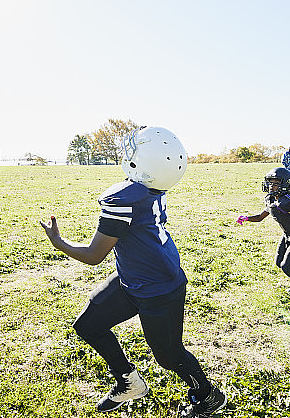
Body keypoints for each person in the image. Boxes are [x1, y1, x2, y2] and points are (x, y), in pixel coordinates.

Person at [39, 126, 226, 417]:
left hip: (159, 290)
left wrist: (58, 241)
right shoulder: (150, 187)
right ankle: (129, 382)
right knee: (88, 325)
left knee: (169, 356)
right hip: (135, 277)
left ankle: (207, 395)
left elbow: (94, 255)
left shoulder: (124, 198)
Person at [236, 167, 290, 293]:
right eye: (270, 182)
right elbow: (260, 217)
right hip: (287, 235)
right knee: (279, 263)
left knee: (287, 267)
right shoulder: (272, 200)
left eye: (276, 183)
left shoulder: (288, 203)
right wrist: (247, 218)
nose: (271, 186)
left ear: (286, 184)